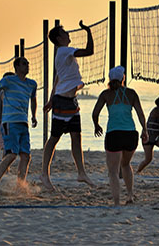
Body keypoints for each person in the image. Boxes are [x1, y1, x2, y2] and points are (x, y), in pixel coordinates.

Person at [40, 21, 94, 191]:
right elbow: (89, 51)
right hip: (62, 102)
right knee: (54, 139)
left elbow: (58, 78)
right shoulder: (64, 51)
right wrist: (88, 31)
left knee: (76, 137)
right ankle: (44, 174)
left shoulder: (62, 55)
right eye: (65, 33)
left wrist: (50, 99)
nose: (69, 34)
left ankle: (81, 173)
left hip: (71, 102)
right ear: (59, 38)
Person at [92, 66, 148, 206]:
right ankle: (130, 196)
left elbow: (95, 113)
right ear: (123, 78)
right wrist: (145, 130)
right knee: (125, 164)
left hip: (114, 134)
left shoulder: (106, 94)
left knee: (113, 171)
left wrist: (96, 125)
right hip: (130, 134)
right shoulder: (131, 93)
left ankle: (117, 202)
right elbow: (140, 114)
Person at [0, 57, 37, 194]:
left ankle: (20, 186)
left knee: (26, 155)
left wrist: (34, 116)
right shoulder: (8, 80)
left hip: (23, 122)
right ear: (17, 67)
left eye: (28, 64)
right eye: (24, 64)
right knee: (11, 154)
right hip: (10, 122)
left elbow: (33, 99)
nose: (27, 66)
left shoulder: (32, 84)